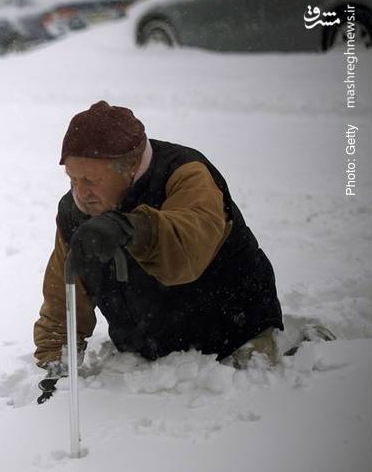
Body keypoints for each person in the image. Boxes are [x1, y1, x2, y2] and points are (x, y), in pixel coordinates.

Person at [33, 100, 284, 380]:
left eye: (91, 179)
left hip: (233, 349)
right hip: (147, 366)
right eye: (72, 178)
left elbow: (188, 251)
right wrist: (55, 359)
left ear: (130, 165)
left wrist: (131, 229)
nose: (81, 192)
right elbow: (64, 291)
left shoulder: (185, 173)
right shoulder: (74, 211)